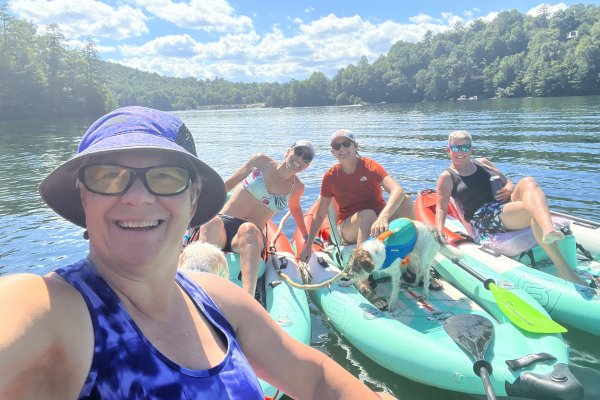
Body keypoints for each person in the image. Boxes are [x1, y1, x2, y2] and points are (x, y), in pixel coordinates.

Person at [0, 106, 394, 400]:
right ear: (83, 197)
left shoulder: (220, 300)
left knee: (251, 238)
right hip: (224, 219)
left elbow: (316, 378)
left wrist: (305, 246)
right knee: (214, 231)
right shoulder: (47, 308)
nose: (137, 197)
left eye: (166, 176)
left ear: (191, 199)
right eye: (109, 176)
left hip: (249, 234)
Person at [299, 129, 440, 309]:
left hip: (378, 221)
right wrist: (308, 244)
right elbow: (320, 214)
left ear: (356, 146)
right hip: (350, 226)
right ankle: (362, 281)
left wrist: (384, 216)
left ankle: (413, 264)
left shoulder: (370, 166)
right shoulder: (330, 177)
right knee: (367, 215)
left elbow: (397, 190)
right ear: (332, 151)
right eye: (337, 146)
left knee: (404, 201)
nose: (342, 148)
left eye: (346, 144)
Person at [436, 130, 586, 285]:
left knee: (529, 181)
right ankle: (564, 270)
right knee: (530, 211)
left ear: (471, 149)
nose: (461, 152)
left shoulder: (482, 163)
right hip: (484, 215)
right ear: (449, 150)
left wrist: (508, 188)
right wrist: (439, 231)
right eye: (456, 148)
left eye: (465, 148)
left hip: (504, 203)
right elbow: (441, 207)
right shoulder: (447, 177)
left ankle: (548, 229)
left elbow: (508, 182)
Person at [195, 141, 313, 296]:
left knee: (248, 229)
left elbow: (296, 209)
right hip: (224, 223)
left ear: (307, 166)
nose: (300, 158)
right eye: (298, 152)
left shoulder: (297, 187)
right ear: (288, 151)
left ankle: (247, 298)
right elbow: (230, 184)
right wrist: (199, 206)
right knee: (211, 222)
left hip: (250, 234)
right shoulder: (261, 162)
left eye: (306, 157)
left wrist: (306, 238)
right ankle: (201, 286)